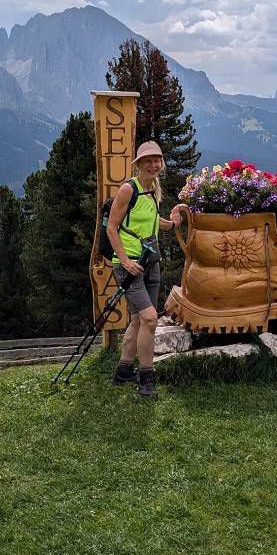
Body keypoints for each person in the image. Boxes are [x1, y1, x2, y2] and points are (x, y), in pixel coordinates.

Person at [106, 140, 182, 398]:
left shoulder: (152, 189)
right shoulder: (129, 189)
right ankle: (147, 378)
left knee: (139, 319)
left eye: (156, 160)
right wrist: (125, 261)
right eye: (147, 161)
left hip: (150, 262)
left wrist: (172, 225)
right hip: (130, 265)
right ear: (138, 164)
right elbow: (112, 227)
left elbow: (151, 220)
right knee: (150, 318)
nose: (153, 165)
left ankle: (124, 371)